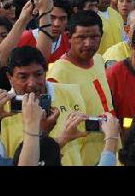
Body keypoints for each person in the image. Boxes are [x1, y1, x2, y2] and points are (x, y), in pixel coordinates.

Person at [46, 10, 113, 165]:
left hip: (107, 151)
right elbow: (61, 129)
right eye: (81, 37)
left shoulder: (98, 59)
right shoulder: (58, 74)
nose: (88, 43)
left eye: (94, 37)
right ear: (68, 37)